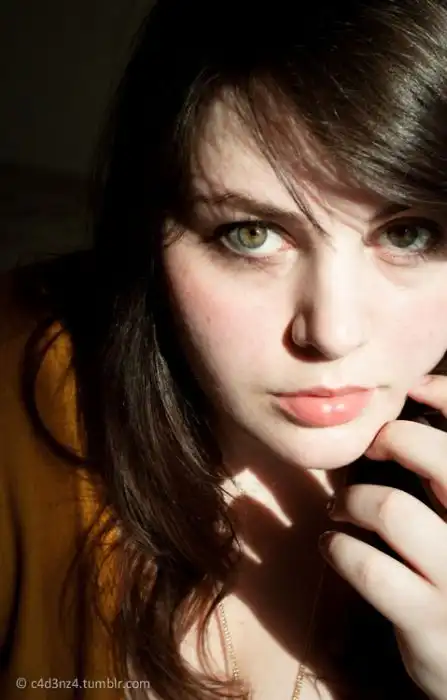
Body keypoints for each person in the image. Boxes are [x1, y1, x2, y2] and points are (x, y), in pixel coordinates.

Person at [2, 0, 447, 698]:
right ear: (149, 234)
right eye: (250, 234)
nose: (332, 333)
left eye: (407, 233)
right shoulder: (21, 409)